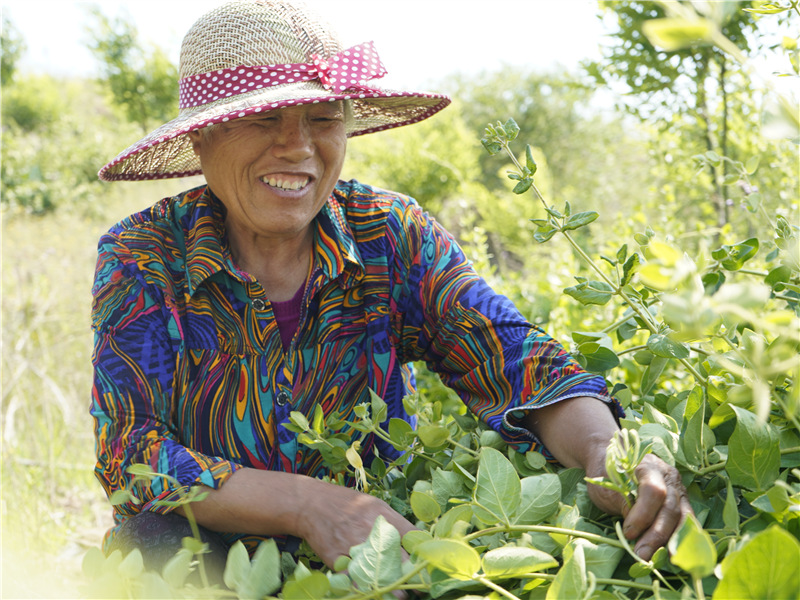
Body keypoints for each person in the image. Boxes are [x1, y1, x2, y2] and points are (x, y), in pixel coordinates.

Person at [91, 0, 692, 581]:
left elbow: (513, 359)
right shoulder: (142, 258)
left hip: (382, 546)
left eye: (323, 118)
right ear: (203, 138)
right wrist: (308, 506)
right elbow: (131, 454)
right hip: (209, 552)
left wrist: (607, 452)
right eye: (263, 118)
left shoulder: (389, 234)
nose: (298, 146)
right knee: (152, 549)